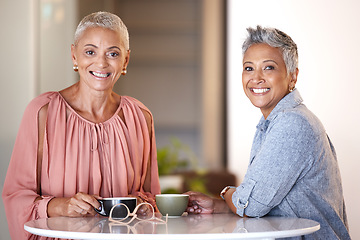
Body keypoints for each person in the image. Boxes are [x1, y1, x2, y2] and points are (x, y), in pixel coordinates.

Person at [2, 11, 161, 239]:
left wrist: (143, 205)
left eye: (113, 53)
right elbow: (16, 196)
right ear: (74, 56)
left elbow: (152, 197)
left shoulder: (140, 116)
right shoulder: (42, 112)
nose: (101, 63)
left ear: (125, 59)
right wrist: (60, 206)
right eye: (90, 52)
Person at [186, 26, 351, 239]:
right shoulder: (274, 121)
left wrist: (227, 193)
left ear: (293, 77)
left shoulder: (292, 123)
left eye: (269, 68)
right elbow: (262, 204)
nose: (256, 78)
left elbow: (251, 205)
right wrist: (221, 205)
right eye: (248, 68)